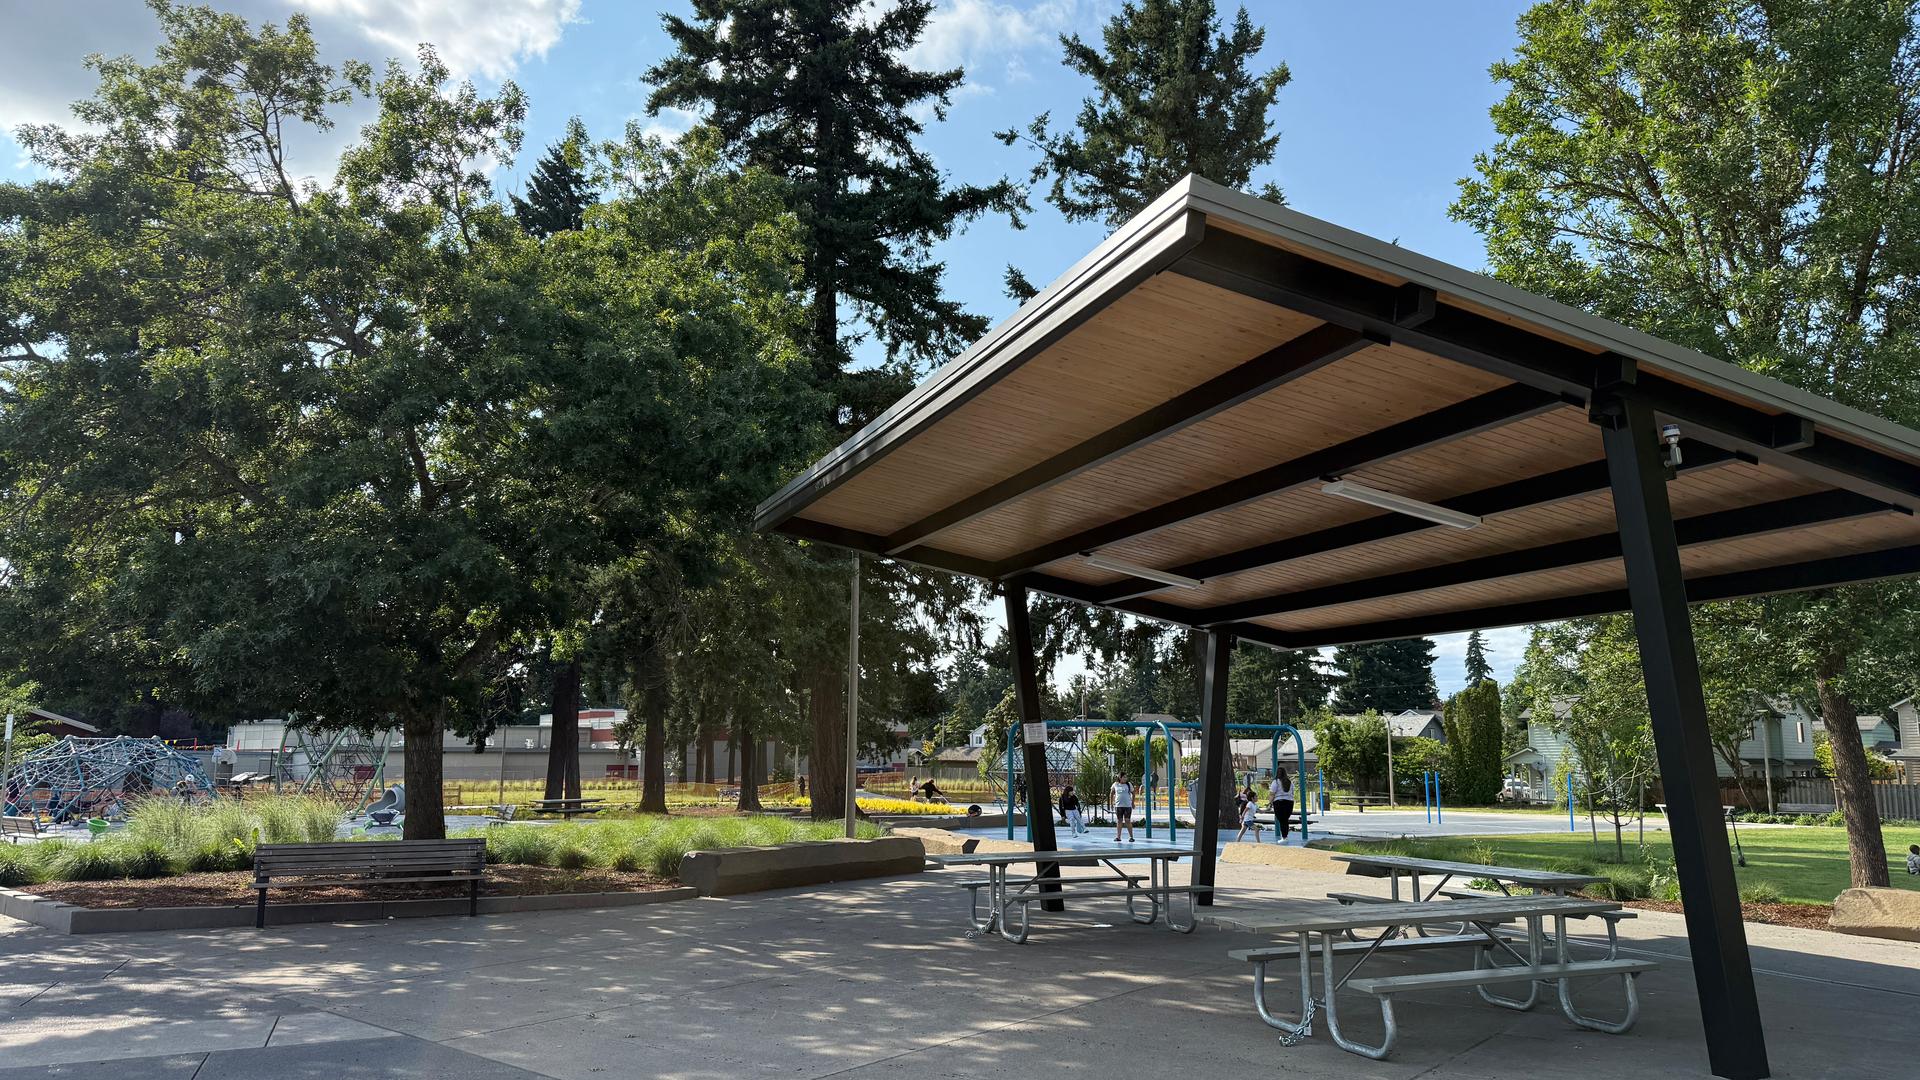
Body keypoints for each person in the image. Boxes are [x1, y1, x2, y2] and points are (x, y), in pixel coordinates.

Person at [1271, 767, 1296, 842]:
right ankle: (1285, 836)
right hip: (1289, 802)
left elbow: (1272, 793)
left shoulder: (1275, 782)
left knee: (1282, 820)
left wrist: (1270, 803)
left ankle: (1284, 837)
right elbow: (1292, 792)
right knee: (1285, 820)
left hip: (1279, 802)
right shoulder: (1290, 782)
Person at [1111, 776, 1135, 842]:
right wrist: (1111, 802)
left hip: (1127, 806)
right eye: (1124, 777)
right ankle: (1118, 837)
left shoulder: (1129, 784)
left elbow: (1133, 793)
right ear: (1120, 778)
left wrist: (1132, 803)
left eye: (1126, 777)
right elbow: (1112, 793)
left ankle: (1131, 837)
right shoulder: (1115, 784)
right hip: (1118, 805)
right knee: (1119, 820)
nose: (1125, 778)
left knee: (1127, 820)